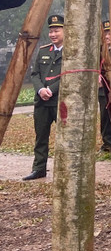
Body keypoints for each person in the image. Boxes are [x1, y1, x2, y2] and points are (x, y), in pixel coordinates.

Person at [23, 14, 65, 180]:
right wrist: (41, 90)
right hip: (42, 101)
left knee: (64, 137)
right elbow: (34, 74)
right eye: (51, 31)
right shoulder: (43, 51)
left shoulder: (72, 52)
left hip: (59, 101)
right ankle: (39, 168)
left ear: (65, 31)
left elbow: (68, 76)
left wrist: (51, 90)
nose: (53, 34)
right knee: (41, 136)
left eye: (57, 31)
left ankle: (65, 170)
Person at [98, 20, 111, 152]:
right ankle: (108, 143)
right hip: (103, 89)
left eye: (110, 33)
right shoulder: (99, 52)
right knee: (105, 116)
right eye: (105, 34)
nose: (107, 36)